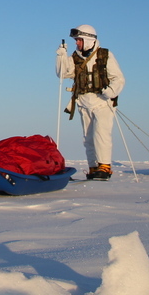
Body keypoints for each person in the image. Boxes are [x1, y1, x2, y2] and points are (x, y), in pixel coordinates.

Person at [55, 24, 125, 180]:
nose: (76, 43)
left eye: (79, 40)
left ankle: (104, 166)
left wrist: (111, 92)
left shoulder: (105, 55)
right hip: (83, 101)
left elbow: (118, 78)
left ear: (88, 39)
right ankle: (93, 167)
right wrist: (61, 56)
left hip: (103, 102)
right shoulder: (75, 57)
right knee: (88, 137)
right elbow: (63, 74)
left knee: (101, 134)